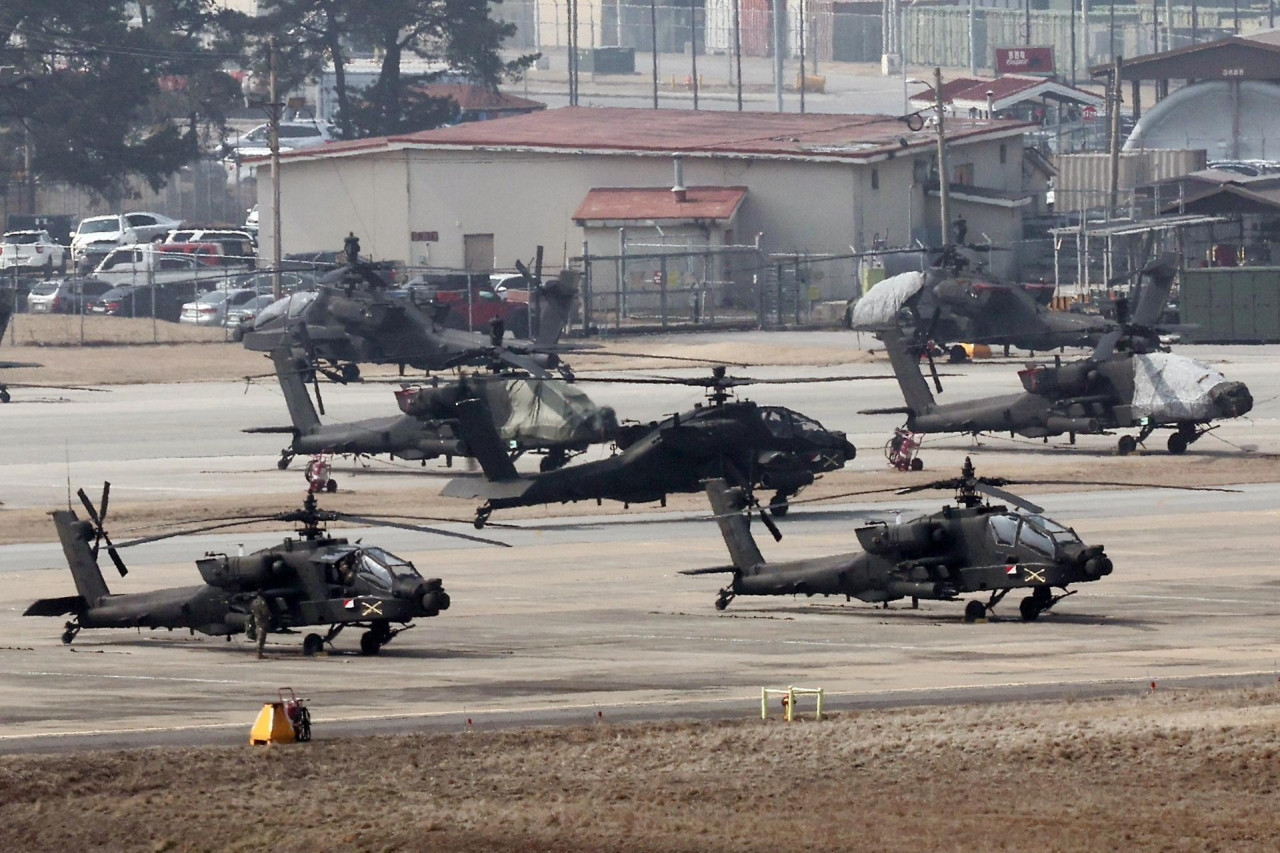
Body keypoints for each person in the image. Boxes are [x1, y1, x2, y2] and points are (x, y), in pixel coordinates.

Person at [250, 595, 272, 659]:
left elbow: (251, 609)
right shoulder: (262, 602)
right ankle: (259, 653)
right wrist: (269, 615)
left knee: (259, 636)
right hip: (263, 620)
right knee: (261, 637)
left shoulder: (254, 601)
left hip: (257, 619)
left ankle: (259, 653)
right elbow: (265, 612)